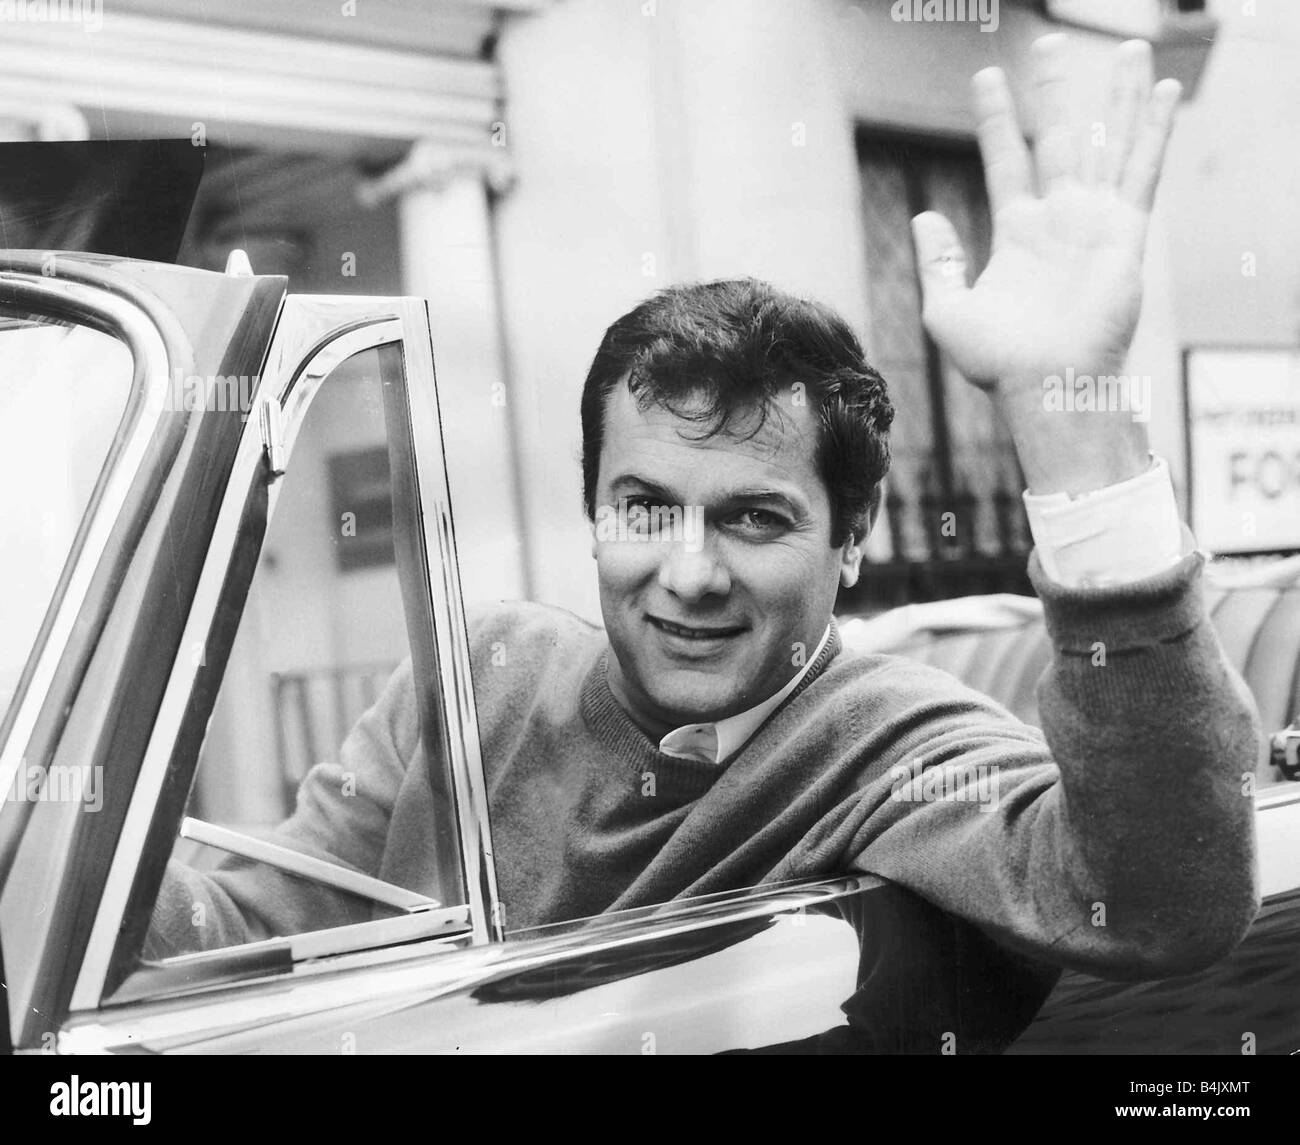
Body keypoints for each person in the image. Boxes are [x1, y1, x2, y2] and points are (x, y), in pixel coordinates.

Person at [147, 36, 1261, 995]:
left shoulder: (888, 740)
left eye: (754, 519)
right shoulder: (477, 673)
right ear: (591, 508)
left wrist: (1073, 425)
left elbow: (1156, 901)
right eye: (641, 505)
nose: (688, 571)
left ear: (852, 532)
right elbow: (251, 930)